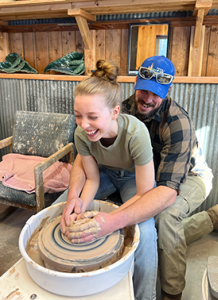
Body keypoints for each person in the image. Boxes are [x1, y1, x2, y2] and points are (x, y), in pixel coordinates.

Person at [56, 56, 218, 300]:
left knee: (165, 218)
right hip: (142, 172)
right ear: (136, 83)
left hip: (188, 176)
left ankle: (171, 293)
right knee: (145, 221)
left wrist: (112, 221)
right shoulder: (121, 107)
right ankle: (214, 218)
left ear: (167, 91)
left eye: (156, 94)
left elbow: (167, 190)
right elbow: (85, 157)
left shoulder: (178, 122)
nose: (148, 99)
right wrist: (74, 195)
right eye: (144, 90)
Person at [60, 59, 158, 300]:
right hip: (106, 174)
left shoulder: (136, 133)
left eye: (92, 117)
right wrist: (77, 204)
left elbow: (145, 193)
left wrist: (110, 221)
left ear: (115, 112)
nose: (84, 124)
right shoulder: (81, 134)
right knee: (61, 208)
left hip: (135, 182)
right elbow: (91, 180)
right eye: (78, 116)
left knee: (144, 230)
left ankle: (145, 295)